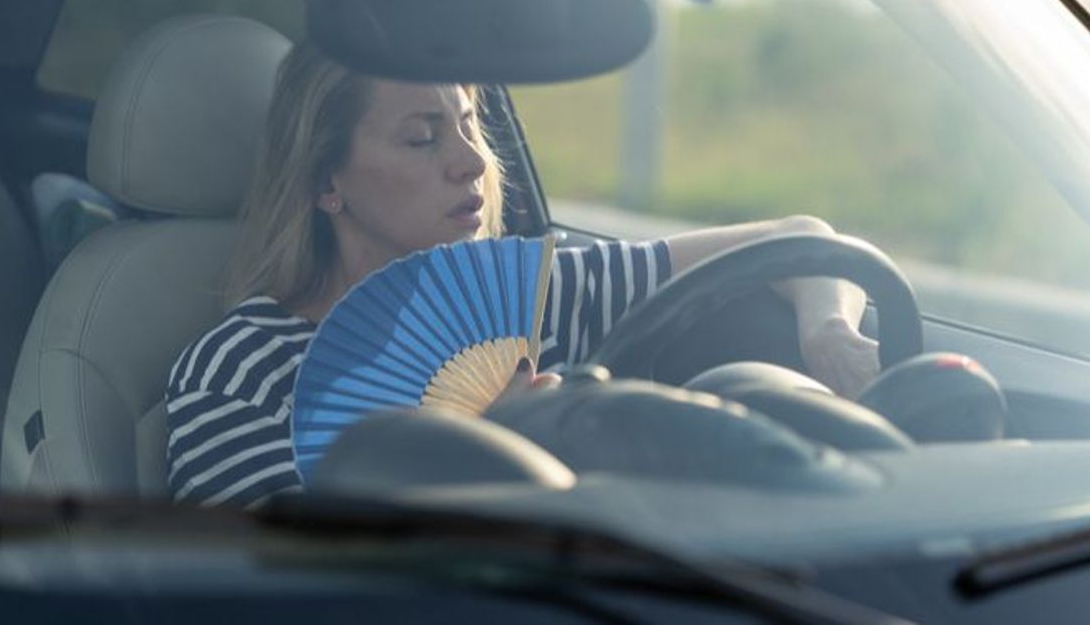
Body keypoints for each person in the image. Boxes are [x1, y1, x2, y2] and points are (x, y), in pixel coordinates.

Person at [164, 43, 878, 509]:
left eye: (470, 124)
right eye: (422, 137)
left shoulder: (540, 296)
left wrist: (829, 330)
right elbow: (279, 592)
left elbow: (800, 241)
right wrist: (487, 445)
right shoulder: (239, 369)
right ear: (327, 183)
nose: (472, 161)